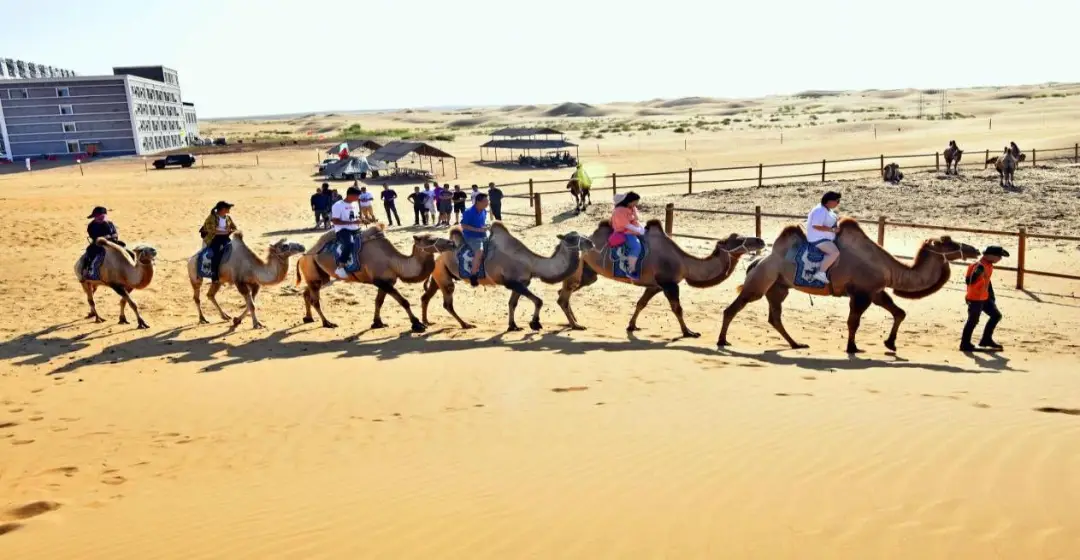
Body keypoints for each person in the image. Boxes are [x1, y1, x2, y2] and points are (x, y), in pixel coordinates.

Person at [961, 246, 1009, 352]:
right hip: (975, 298)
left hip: (984, 297)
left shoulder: (988, 265)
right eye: (999, 256)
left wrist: (991, 296)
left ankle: (986, 340)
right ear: (990, 255)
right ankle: (964, 344)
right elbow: (969, 281)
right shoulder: (979, 265)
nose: (1000, 259)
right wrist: (976, 274)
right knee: (973, 320)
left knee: (996, 316)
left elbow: (987, 280)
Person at [806, 191, 842, 284]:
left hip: (826, 237)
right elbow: (816, 226)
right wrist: (833, 230)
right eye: (837, 201)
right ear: (829, 201)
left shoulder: (827, 210)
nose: (838, 203)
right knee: (834, 252)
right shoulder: (820, 210)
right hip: (818, 238)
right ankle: (820, 273)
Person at [611, 192, 645, 280]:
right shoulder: (619, 211)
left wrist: (642, 228)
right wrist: (638, 230)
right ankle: (630, 271)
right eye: (635, 201)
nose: (636, 203)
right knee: (636, 246)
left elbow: (636, 220)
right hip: (624, 232)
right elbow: (626, 225)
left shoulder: (632, 208)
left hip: (633, 230)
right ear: (629, 201)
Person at [331, 186, 363, 279]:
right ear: (351, 195)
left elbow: (355, 217)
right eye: (357, 196)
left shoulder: (355, 204)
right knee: (349, 244)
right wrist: (352, 222)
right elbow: (335, 221)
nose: (358, 198)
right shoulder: (338, 205)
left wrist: (362, 220)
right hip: (343, 230)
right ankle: (340, 267)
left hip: (355, 229)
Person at [201, 201, 236, 284]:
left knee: (234, 251)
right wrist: (225, 232)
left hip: (225, 238)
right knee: (215, 256)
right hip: (214, 238)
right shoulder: (212, 217)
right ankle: (215, 278)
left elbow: (234, 227)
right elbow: (212, 231)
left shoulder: (227, 218)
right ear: (223, 209)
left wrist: (230, 231)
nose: (229, 209)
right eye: (228, 208)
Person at [82, 206, 124, 276]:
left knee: (123, 246)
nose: (100, 218)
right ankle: (88, 269)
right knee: (90, 251)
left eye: (102, 216)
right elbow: (94, 237)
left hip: (112, 242)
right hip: (98, 244)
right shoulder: (91, 225)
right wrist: (104, 238)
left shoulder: (109, 223)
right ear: (95, 217)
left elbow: (114, 233)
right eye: (98, 217)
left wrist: (114, 236)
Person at [460, 193, 490, 286]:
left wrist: (485, 226)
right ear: (478, 202)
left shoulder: (484, 211)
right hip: (471, 237)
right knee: (479, 251)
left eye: (487, 201)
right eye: (485, 201)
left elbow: (481, 223)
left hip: (482, 234)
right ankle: (473, 275)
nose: (487, 203)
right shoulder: (468, 212)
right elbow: (463, 225)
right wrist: (478, 229)